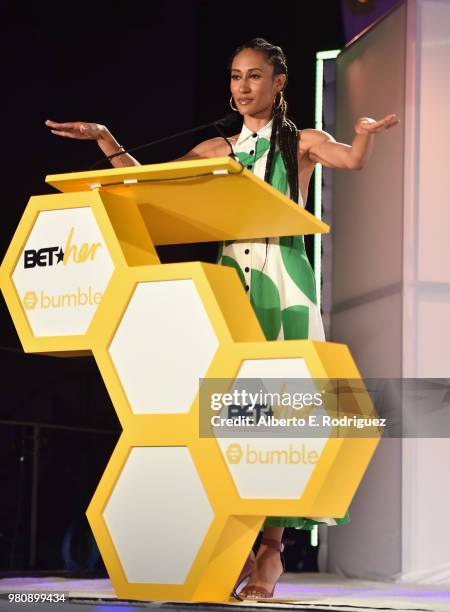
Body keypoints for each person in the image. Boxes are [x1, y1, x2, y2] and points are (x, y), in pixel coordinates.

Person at [45, 37, 399, 600]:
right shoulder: (217, 149)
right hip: (230, 280)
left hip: (284, 281)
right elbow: (145, 179)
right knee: (233, 410)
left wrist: (361, 134)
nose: (242, 87)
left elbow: (352, 161)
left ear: (280, 82)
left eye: (255, 76)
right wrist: (107, 140)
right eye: (236, 76)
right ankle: (237, 542)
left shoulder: (303, 142)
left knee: (282, 408)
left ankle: (272, 549)